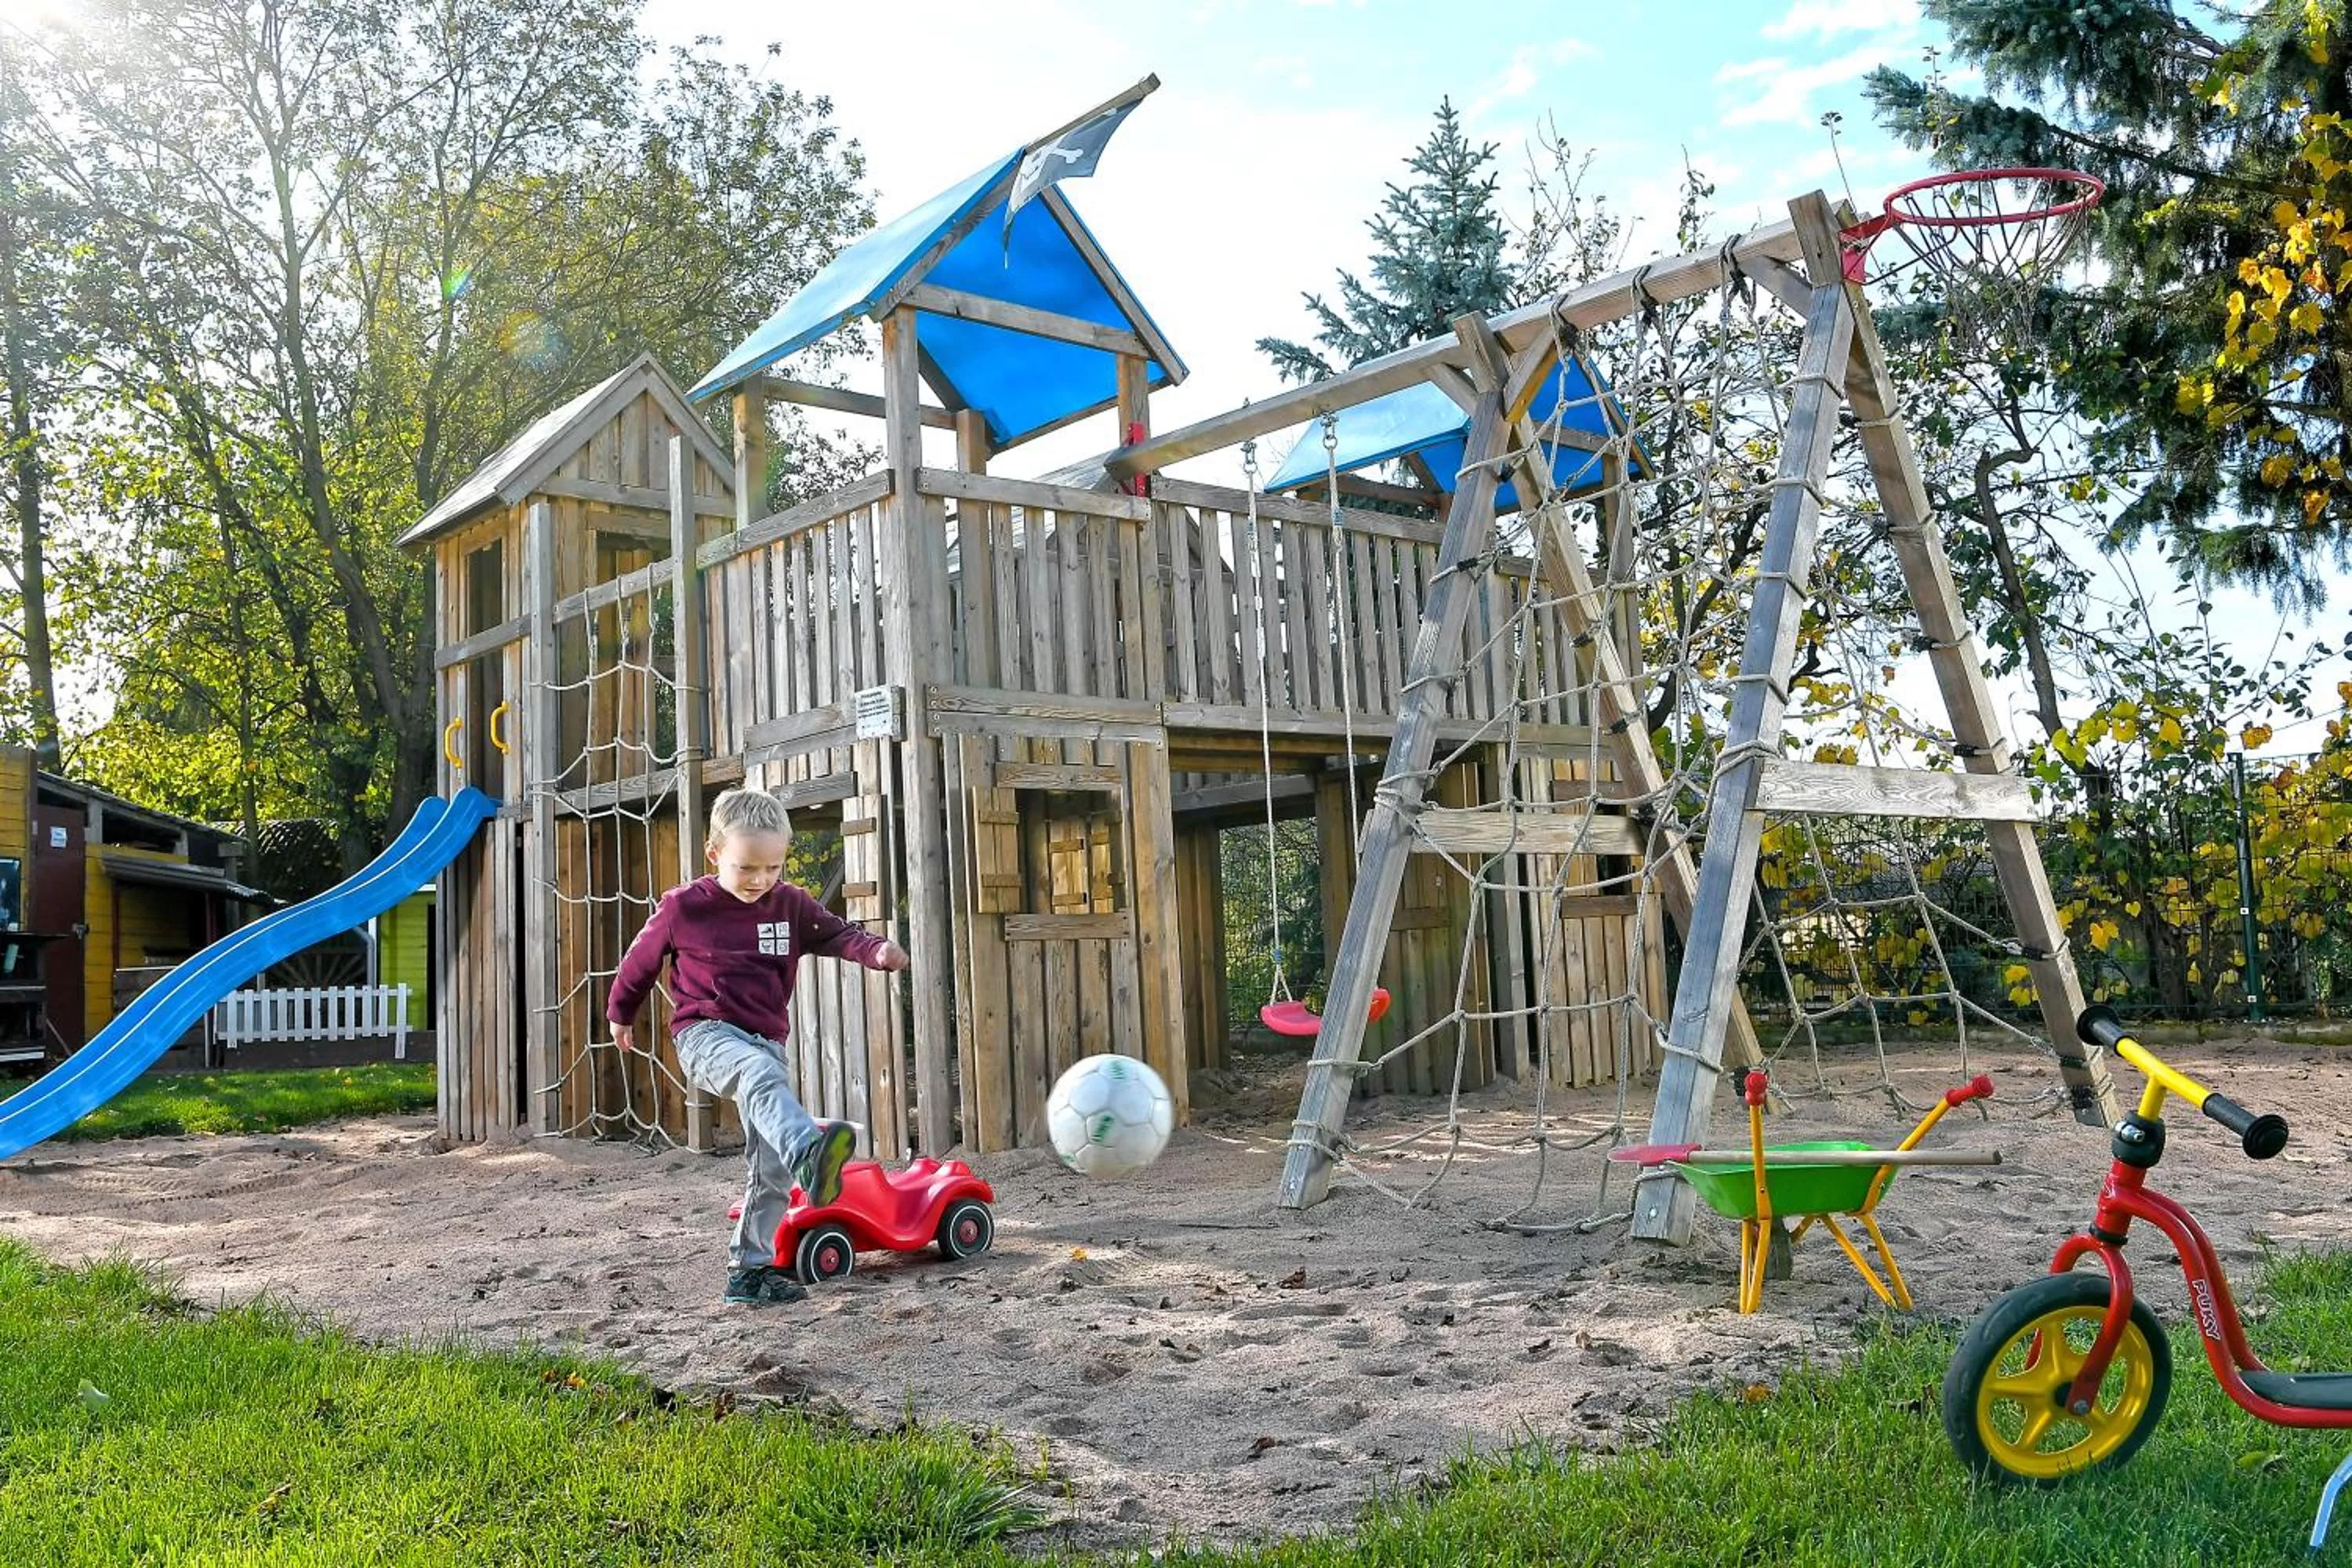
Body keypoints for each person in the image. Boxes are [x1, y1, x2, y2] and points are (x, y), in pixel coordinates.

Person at [607, 786, 908, 1305]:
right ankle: (809, 1153)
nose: (761, 880)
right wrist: (620, 1014)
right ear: (715, 854)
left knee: (768, 1169)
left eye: (773, 867)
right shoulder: (685, 908)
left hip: (767, 1044)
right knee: (757, 1075)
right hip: (705, 1036)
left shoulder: (789, 904)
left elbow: (838, 934)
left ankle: (748, 1275)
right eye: (747, 868)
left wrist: (876, 949)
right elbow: (640, 962)